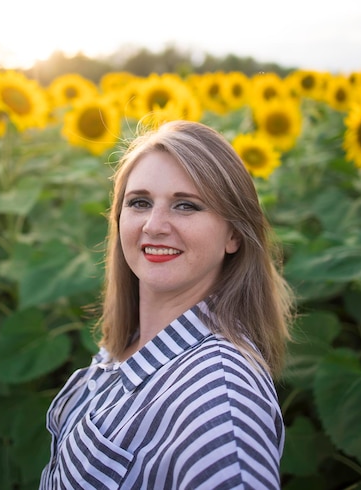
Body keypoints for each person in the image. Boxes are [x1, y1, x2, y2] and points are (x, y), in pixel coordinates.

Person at [39, 120, 293, 490]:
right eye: (139, 202)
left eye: (186, 205)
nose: (154, 225)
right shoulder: (131, 343)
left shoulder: (219, 400)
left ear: (234, 234)